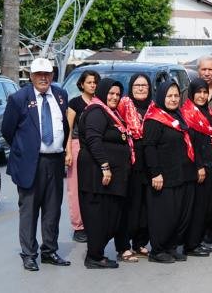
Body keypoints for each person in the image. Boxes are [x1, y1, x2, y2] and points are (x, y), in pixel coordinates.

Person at [3, 58, 71, 271]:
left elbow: (65, 127)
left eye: (47, 73)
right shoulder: (19, 98)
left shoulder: (60, 95)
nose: (43, 77)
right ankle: (29, 254)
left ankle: (49, 250)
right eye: (39, 74)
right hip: (30, 163)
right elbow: (8, 130)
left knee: (52, 210)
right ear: (31, 76)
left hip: (55, 161)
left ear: (52, 75)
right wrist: (26, 150)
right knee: (29, 211)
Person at [78, 78, 133, 269]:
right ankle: (94, 256)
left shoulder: (110, 112)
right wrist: (104, 165)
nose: (115, 97)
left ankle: (97, 253)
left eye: (118, 94)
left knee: (108, 216)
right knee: (98, 216)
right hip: (96, 175)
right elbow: (94, 140)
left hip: (107, 176)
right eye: (111, 93)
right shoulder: (96, 112)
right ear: (102, 92)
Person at [142, 81, 197, 263]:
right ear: (161, 97)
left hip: (182, 175)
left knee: (180, 214)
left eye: (175, 96)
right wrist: (155, 173)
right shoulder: (154, 119)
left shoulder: (179, 116)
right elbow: (149, 148)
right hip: (164, 176)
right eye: (169, 96)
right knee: (164, 215)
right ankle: (157, 250)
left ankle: (171, 247)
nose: (173, 99)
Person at [180, 79, 212, 257]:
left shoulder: (208, 112)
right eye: (199, 92)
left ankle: (197, 241)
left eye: (205, 92)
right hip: (198, 167)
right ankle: (191, 244)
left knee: (205, 207)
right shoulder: (187, 113)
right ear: (191, 93)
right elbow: (191, 144)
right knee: (196, 207)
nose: (202, 96)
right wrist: (199, 166)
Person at [116, 74, 152, 258]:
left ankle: (140, 242)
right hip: (129, 160)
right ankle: (123, 245)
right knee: (129, 205)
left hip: (149, 161)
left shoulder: (154, 107)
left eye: (144, 85)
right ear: (131, 87)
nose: (140, 88)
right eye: (137, 85)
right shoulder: (123, 105)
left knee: (145, 205)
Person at [64, 70, 100, 244]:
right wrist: (68, 151)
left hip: (96, 147)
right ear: (81, 84)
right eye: (89, 82)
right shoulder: (74, 103)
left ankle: (93, 222)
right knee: (75, 187)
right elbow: (68, 129)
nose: (92, 85)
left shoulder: (99, 102)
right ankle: (78, 227)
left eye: (95, 82)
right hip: (78, 145)